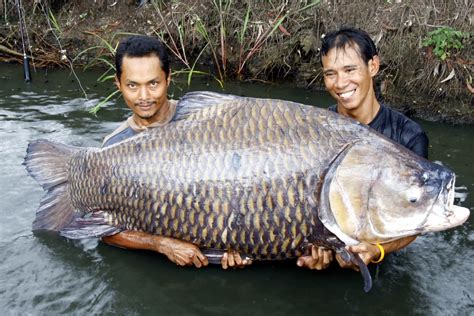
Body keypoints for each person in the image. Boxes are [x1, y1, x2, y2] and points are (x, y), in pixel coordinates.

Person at [101, 35, 250, 269]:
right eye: (132, 85)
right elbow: (105, 231)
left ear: (168, 78)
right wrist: (162, 244)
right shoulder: (112, 147)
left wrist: (241, 243)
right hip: (153, 272)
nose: (144, 97)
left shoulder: (205, 120)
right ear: (118, 83)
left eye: (153, 83)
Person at [297, 26, 429, 270]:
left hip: (383, 265)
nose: (340, 83)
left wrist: (377, 250)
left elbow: (418, 213)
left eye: (350, 70)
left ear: (373, 66)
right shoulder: (314, 131)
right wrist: (308, 249)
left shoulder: (408, 135)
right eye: (330, 74)